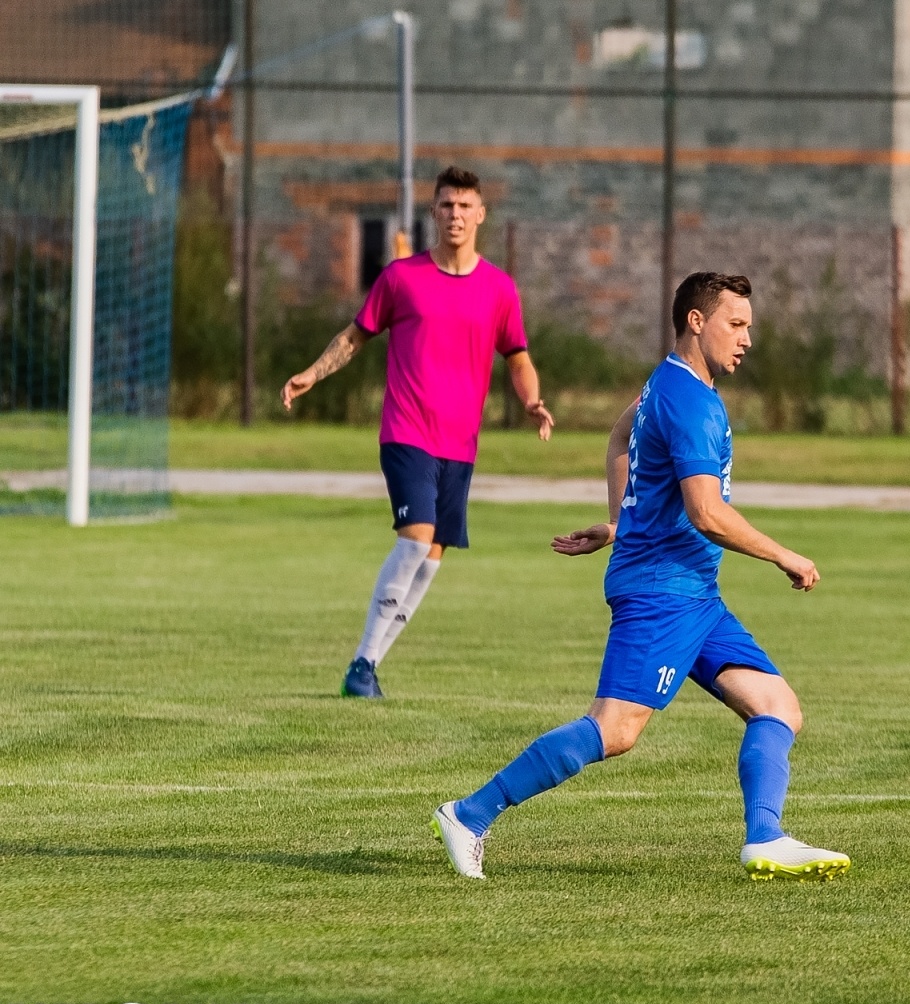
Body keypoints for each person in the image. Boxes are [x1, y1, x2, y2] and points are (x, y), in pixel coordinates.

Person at [431, 272, 850, 882]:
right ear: (697, 322)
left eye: (750, 327)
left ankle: (765, 836)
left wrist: (619, 522)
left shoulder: (666, 383)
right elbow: (707, 513)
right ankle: (470, 814)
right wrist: (785, 554)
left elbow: (620, 437)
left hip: (693, 593)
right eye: (737, 324)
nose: (748, 339)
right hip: (663, 590)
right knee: (616, 729)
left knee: (777, 705)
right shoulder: (691, 401)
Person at [280, 166, 555, 698]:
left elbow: (518, 356)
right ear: (434, 213)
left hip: (460, 444)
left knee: (431, 560)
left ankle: (367, 667)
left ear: (481, 214)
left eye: (464, 206)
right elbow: (355, 336)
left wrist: (532, 401)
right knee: (416, 541)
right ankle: (361, 664)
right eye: (446, 205)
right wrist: (313, 372)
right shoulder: (402, 278)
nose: (455, 214)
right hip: (406, 432)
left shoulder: (499, 289)